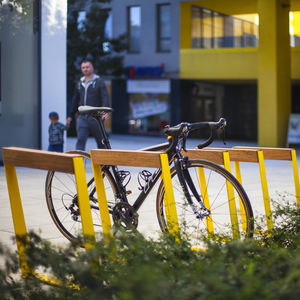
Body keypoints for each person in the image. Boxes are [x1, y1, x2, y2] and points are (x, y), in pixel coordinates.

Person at [67, 60, 110, 151]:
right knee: (80, 141)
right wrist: (70, 115)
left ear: (92, 68)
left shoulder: (99, 82)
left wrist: (105, 112)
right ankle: (79, 164)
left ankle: (104, 164)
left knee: (101, 142)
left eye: (87, 67)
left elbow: (105, 97)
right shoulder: (80, 82)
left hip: (96, 118)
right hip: (82, 117)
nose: (85, 69)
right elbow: (75, 100)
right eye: (83, 67)